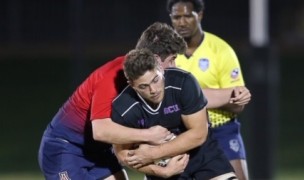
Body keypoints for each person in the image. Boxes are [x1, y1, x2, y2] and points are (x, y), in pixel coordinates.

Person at [38, 22, 188, 180]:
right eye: (172, 60)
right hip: (65, 148)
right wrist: (150, 136)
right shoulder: (112, 77)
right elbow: (101, 131)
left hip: (99, 150)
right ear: (156, 59)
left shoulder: (150, 86)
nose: (174, 66)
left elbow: (123, 150)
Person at [112, 48, 237, 180]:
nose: (153, 90)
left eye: (155, 80)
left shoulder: (184, 82)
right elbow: (123, 154)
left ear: (160, 68)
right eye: (143, 86)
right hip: (164, 167)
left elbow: (199, 134)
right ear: (131, 84)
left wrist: (154, 153)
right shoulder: (123, 108)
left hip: (201, 154)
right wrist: (159, 171)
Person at [166, 0, 252, 179]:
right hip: (179, 133)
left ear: (200, 15)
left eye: (188, 16)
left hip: (221, 130)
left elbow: (238, 104)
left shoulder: (221, 50)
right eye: (176, 17)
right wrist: (214, 96)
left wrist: (194, 99)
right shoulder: (165, 52)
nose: (182, 22)